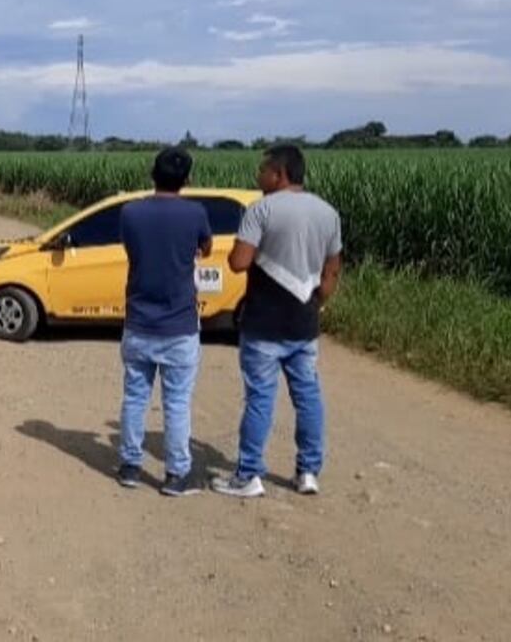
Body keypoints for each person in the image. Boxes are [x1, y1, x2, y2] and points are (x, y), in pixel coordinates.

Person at [211, 144, 343, 499]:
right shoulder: (328, 212)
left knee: (260, 399)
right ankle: (308, 472)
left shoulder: (261, 209)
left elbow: (239, 262)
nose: (259, 176)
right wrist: (317, 301)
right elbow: (332, 270)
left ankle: (249, 474)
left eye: (263, 170)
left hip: (263, 323)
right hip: (304, 322)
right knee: (308, 396)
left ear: (279, 174)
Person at [116, 147, 212, 497]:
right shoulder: (196, 213)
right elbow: (206, 248)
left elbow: (131, 249)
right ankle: (175, 474)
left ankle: (129, 466)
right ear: (187, 179)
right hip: (180, 325)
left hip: (139, 322)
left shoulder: (130, 212)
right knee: (176, 403)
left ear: (152, 173)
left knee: (134, 397)